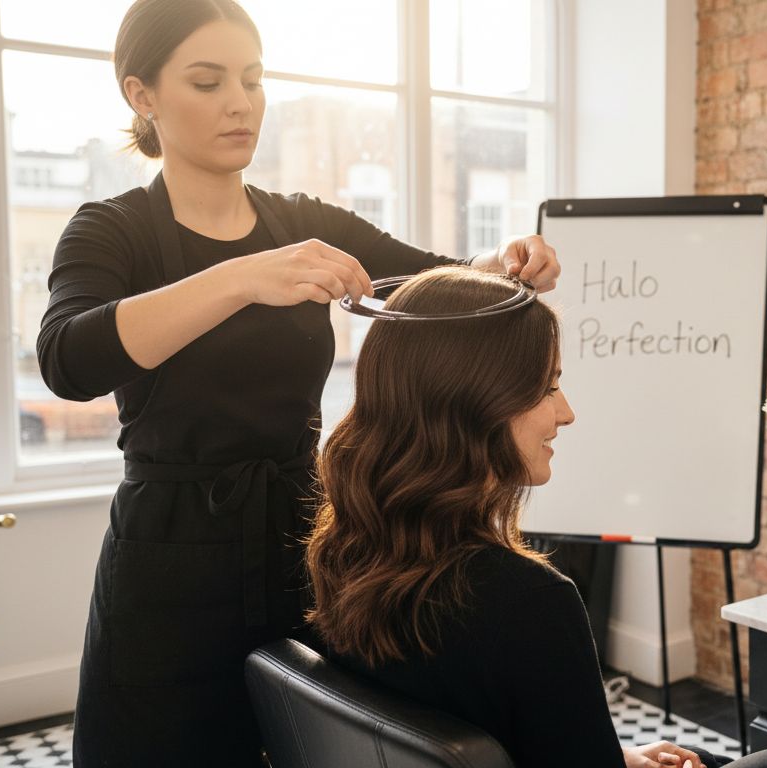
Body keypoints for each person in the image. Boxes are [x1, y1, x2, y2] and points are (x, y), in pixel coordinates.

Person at [35, 2, 558, 764]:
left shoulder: (301, 225)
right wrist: (244, 277)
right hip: (166, 570)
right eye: (208, 82)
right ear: (141, 95)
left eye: (252, 80)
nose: (240, 103)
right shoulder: (112, 230)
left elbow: (430, 278)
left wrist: (502, 262)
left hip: (304, 546)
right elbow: (67, 359)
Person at [306, 267, 767, 768]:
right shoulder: (528, 600)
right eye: (548, 388)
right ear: (475, 403)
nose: (566, 412)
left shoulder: (342, 549)